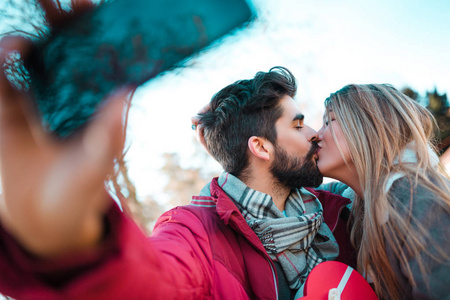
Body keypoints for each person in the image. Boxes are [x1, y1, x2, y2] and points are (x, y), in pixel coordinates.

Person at [0, 41, 354, 300]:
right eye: (298, 125)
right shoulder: (194, 230)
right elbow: (154, 283)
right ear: (260, 147)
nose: (313, 135)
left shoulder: (342, 209)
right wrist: (68, 244)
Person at [316, 84, 450, 299]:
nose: (317, 135)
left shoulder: (416, 198)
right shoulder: (360, 200)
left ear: (367, 126)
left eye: (328, 121)